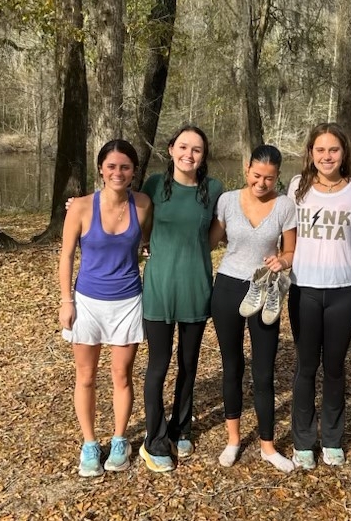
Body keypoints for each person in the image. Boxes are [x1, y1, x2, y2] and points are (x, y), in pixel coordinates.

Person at [58, 139, 152, 477]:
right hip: (87, 302)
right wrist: (66, 301)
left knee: (121, 376)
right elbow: (66, 256)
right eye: (111, 166)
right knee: (85, 376)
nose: (118, 172)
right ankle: (88, 443)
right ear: (101, 169)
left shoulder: (143, 205)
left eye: (125, 167)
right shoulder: (81, 207)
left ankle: (118, 440)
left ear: (133, 171)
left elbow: (148, 243)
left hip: (128, 301)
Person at [287, 122, 351, 469]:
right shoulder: (297, 187)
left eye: (333, 150)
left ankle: (333, 439)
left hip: (343, 291)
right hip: (304, 289)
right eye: (320, 150)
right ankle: (304, 440)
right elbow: (285, 232)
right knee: (306, 367)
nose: (326, 156)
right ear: (311, 153)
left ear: (344, 153)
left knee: (335, 368)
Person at [138, 125, 224, 472]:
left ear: (204, 156)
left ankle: (181, 426)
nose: (189, 154)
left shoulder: (214, 189)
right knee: (158, 366)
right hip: (159, 289)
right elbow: (134, 220)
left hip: (196, 288)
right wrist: (76, 204)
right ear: (171, 149)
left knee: (189, 365)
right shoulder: (154, 186)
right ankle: (154, 439)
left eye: (197, 149)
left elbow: (217, 234)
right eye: (183, 147)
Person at [209, 145, 297, 473]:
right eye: (257, 175)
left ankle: (267, 446)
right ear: (247, 169)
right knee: (231, 365)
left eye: (269, 178)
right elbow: (209, 240)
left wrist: (283, 261)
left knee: (263, 370)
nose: (262, 183)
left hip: (265, 288)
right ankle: (233, 440)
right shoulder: (228, 201)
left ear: (278, 177)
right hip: (228, 288)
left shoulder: (285, 205)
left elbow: (291, 250)